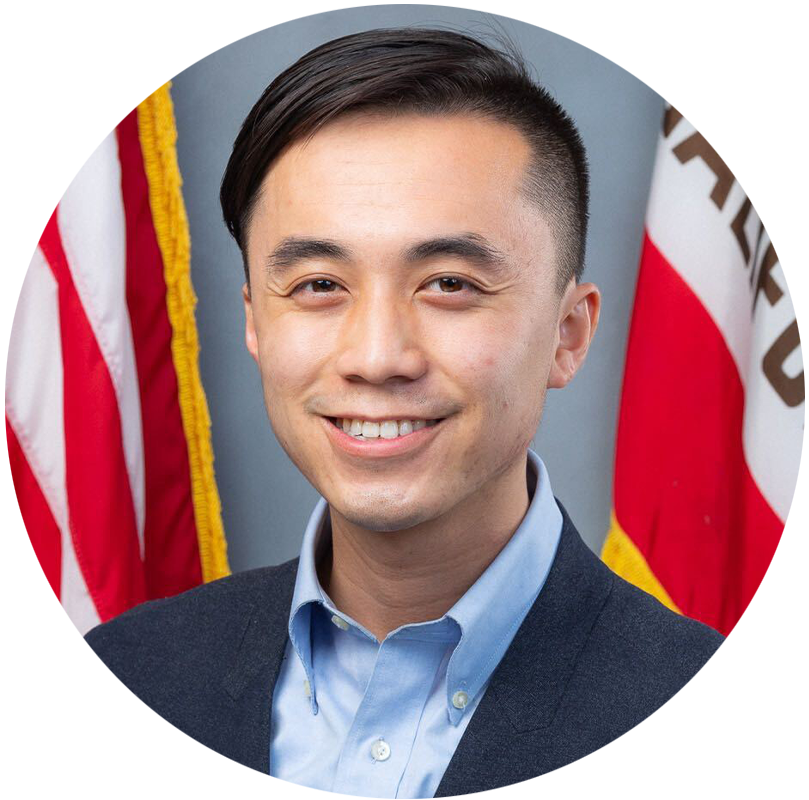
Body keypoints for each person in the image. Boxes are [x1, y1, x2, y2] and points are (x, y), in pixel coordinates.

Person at [34, 27, 803, 800]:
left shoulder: (735, 748)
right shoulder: (121, 689)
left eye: (448, 284)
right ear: (254, 325)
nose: (376, 355)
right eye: (318, 286)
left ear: (568, 335)